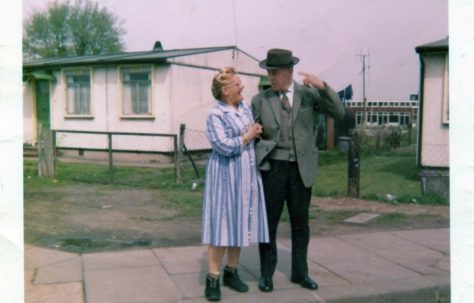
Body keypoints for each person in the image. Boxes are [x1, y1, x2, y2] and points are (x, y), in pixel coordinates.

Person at [251, 49, 345, 292]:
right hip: (272, 168)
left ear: (289, 71)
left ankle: (300, 273)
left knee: (300, 223)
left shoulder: (308, 95)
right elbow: (250, 132)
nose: (270, 77)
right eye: (268, 72)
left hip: (301, 169)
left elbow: (338, 112)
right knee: (268, 224)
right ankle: (266, 275)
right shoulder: (260, 100)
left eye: (275, 72)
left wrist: (322, 86)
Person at [201, 67, 270, 301]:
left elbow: (251, 130)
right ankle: (213, 278)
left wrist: (255, 131)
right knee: (221, 226)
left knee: (240, 223)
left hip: (246, 175)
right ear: (226, 90)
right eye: (238, 84)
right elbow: (223, 146)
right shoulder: (215, 115)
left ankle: (231, 272)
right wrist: (248, 136)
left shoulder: (244, 108)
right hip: (224, 176)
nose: (242, 87)